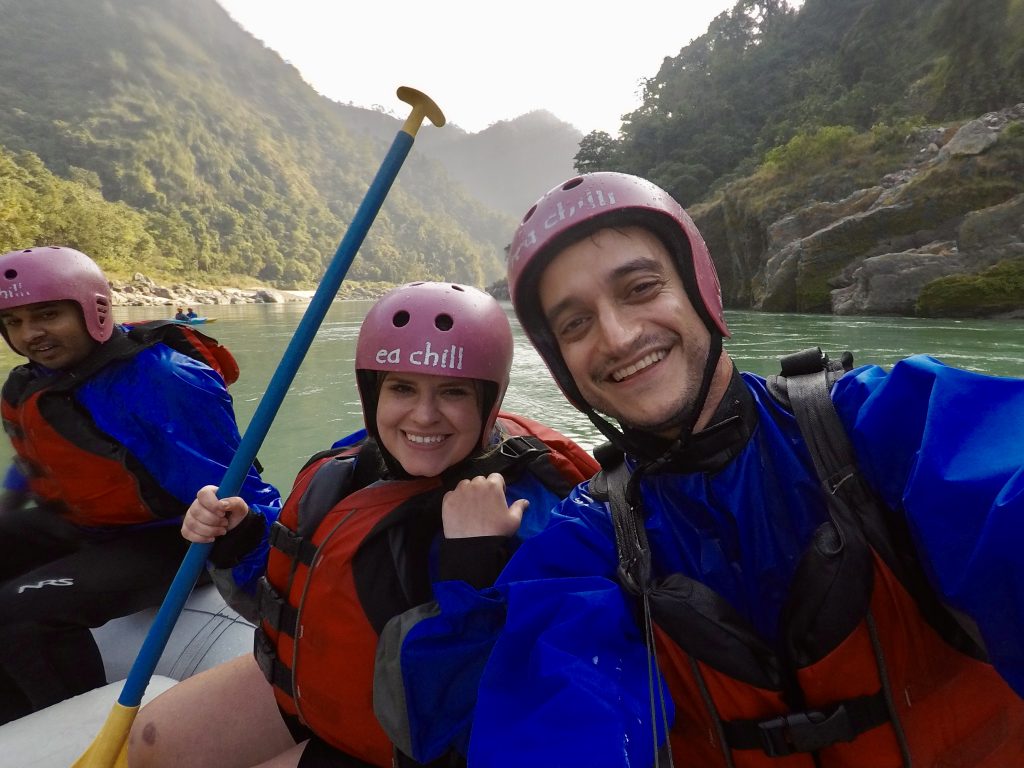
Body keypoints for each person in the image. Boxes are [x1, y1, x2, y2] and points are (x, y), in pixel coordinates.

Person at [375, 173, 1024, 767]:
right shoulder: (584, 544)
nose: (620, 335)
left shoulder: (886, 423)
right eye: (575, 323)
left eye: (641, 288)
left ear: (703, 292)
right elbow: (555, 715)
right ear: (564, 366)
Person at [127, 281, 598, 768]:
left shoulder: (537, 514)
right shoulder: (356, 463)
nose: (424, 414)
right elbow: (299, 599)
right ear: (372, 391)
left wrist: (475, 561)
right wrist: (239, 538)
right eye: (402, 387)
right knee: (155, 739)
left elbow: (503, 712)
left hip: (420, 745)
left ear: (489, 399)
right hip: (329, 688)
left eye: (453, 392)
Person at [0, 245, 281, 723]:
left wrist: (264, 577)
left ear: (95, 310)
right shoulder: (32, 382)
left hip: (170, 538)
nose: (31, 335)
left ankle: (67, 731)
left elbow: (238, 492)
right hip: (88, 526)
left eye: (47, 315)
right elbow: (41, 465)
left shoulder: (164, 381)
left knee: (19, 612)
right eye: (14, 321)